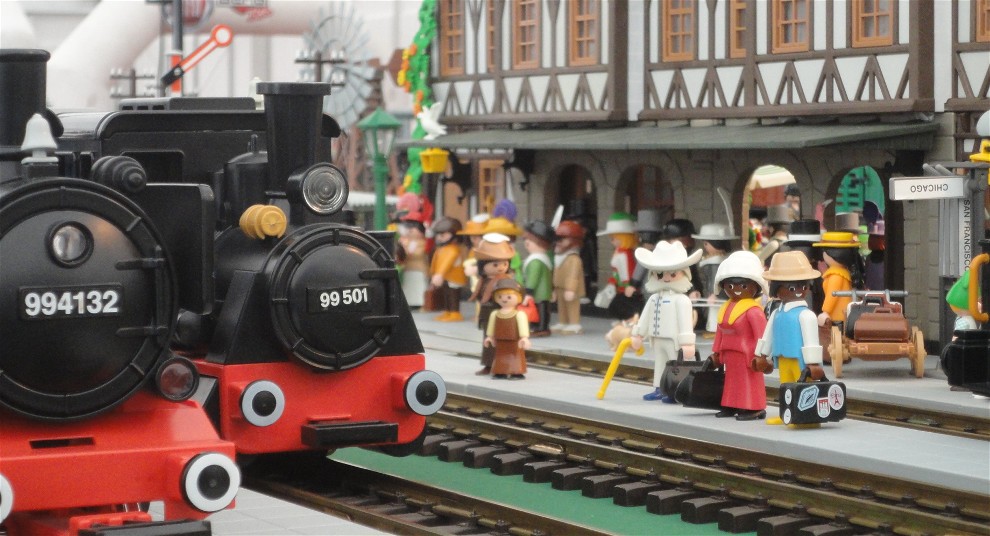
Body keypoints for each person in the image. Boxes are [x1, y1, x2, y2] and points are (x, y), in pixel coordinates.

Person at [752, 251, 825, 425]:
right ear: (776, 289)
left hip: (801, 361)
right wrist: (762, 355)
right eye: (792, 288)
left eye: (803, 287)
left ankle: (808, 417)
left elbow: (811, 341)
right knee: (786, 387)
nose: (799, 292)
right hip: (783, 358)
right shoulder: (777, 313)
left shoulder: (806, 315)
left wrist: (814, 363)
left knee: (805, 389)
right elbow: (768, 336)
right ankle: (787, 414)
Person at [630, 240, 702, 402]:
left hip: (673, 340)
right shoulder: (654, 298)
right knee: (660, 363)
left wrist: (687, 342)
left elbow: (685, 323)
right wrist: (638, 334)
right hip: (657, 338)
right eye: (660, 274)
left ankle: (675, 390)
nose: (666, 278)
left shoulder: (682, 300)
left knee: (676, 366)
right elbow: (645, 318)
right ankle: (659, 387)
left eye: (673, 274)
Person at [708, 251, 769, 421]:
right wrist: (716, 352)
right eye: (730, 285)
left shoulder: (753, 311)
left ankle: (754, 407)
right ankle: (731, 404)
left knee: (748, 380)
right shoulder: (725, 308)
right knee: (731, 381)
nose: (735, 290)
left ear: (755, 286)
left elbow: (762, 335)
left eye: (742, 285)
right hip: (729, 352)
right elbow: (720, 332)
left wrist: (762, 355)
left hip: (748, 354)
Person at [470, 233, 516, 374]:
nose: (501, 267)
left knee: (500, 341)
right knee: (488, 340)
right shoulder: (484, 280)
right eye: (495, 264)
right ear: (483, 265)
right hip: (487, 314)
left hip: (501, 315)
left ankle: (503, 365)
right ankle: (489, 364)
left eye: (504, 264)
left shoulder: (505, 281)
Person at [595, 212, 643, 322]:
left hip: (626, 286)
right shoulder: (619, 252)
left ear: (624, 238)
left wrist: (629, 284)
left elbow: (629, 270)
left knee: (623, 305)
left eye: (614, 238)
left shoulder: (626, 254)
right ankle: (625, 321)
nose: (612, 241)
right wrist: (612, 282)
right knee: (618, 306)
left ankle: (630, 321)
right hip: (620, 285)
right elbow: (617, 271)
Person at [691, 223, 737, 335]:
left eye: (706, 244)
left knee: (717, 313)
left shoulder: (715, 262)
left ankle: (716, 330)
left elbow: (714, 280)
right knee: (715, 312)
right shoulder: (721, 260)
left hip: (718, 295)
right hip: (717, 294)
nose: (705, 247)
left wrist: (715, 293)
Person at [484, 278, 531, 379]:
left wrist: (524, 338)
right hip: (500, 340)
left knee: (516, 356)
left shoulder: (519, 314)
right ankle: (500, 371)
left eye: (509, 297)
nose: (504, 299)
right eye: (500, 296)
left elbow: (523, 327)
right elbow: (491, 327)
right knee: (500, 356)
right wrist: (489, 337)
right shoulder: (495, 314)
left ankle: (516, 372)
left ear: (519, 297)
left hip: (515, 341)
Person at [551, 220, 587, 334]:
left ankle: (574, 323)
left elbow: (573, 274)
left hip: (572, 289)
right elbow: (555, 273)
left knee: (572, 305)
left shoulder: (574, 259)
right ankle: (563, 321)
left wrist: (571, 289)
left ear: (574, 241)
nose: (558, 242)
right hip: (560, 287)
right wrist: (553, 288)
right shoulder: (558, 257)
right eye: (557, 239)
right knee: (561, 306)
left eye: (562, 239)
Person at [428, 217, 467, 322]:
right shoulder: (442, 249)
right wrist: (434, 273)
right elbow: (436, 262)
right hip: (445, 277)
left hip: (453, 278)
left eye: (443, 235)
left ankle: (455, 312)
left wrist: (439, 274)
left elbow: (446, 263)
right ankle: (447, 311)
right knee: (446, 294)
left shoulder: (452, 250)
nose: (439, 238)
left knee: (453, 295)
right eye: (438, 235)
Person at [521, 220, 555, 337]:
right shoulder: (543, 258)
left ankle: (540, 328)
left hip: (538, 292)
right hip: (544, 292)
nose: (527, 242)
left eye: (530, 240)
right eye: (526, 239)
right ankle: (539, 327)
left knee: (539, 310)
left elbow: (533, 277)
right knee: (542, 310)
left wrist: (529, 291)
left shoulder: (536, 261)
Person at [630, 209, 664, 296]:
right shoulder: (663, 252)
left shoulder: (645, 253)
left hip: (649, 289)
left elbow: (639, 269)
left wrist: (633, 284)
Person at [397, 217, 428, 309]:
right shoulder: (405, 241)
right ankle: (409, 302)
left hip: (419, 268)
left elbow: (419, 253)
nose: (409, 232)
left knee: (419, 286)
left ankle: (421, 303)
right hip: (408, 268)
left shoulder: (422, 242)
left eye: (412, 230)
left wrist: (408, 251)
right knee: (409, 286)